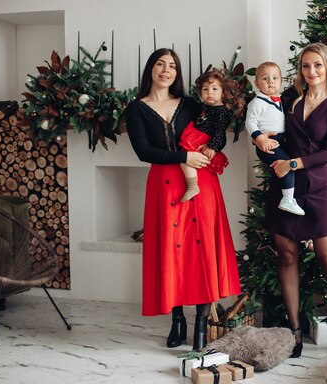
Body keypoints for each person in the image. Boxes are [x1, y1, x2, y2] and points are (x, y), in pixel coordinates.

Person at [126, 48, 241, 351]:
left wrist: (209, 150)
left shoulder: (191, 104)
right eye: (160, 64)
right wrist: (183, 155)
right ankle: (178, 320)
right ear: (150, 68)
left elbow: (217, 127)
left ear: (178, 72)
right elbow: (143, 152)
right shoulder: (136, 108)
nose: (166, 70)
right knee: (171, 251)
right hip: (164, 186)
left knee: (203, 250)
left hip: (202, 184)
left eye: (173, 66)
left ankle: (201, 327)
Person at [254, 43, 327, 357]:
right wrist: (265, 147)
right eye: (305, 66)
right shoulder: (288, 100)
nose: (311, 72)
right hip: (285, 189)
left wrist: (295, 163)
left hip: (317, 189)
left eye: (317, 65)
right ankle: (294, 333)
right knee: (287, 258)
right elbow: (267, 131)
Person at [245, 62, 305, 215]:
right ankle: (287, 199)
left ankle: (287, 198)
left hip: (281, 140)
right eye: (265, 78)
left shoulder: (278, 99)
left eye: (275, 78)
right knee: (287, 165)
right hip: (268, 142)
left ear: (281, 81)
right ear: (256, 83)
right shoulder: (257, 102)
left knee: (286, 165)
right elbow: (250, 122)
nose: (271, 81)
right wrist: (259, 139)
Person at [179, 68, 243, 202]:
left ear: (223, 93)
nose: (210, 93)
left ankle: (192, 186)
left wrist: (212, 147)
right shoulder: (206, 108)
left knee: (185, 158)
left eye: (215, 89)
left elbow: (220, 132)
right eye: (205, 89)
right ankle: (191, 184)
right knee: (183, 157)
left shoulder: (222, 112)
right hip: (196, 136)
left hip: (203, 140)